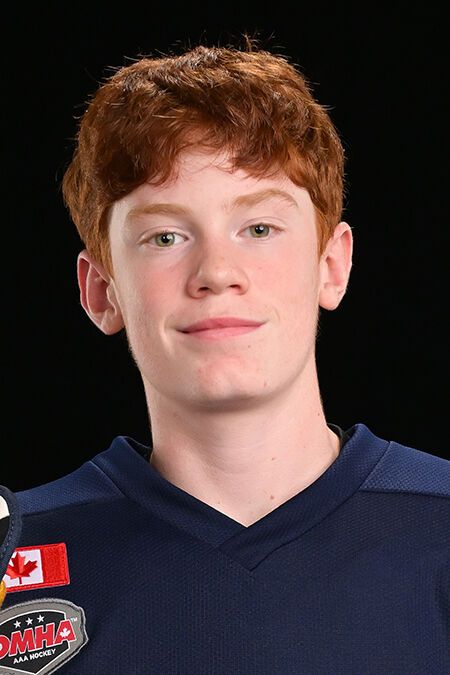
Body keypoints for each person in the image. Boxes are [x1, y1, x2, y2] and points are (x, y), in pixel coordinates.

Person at [1, 40, 449, 674]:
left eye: (259, 229)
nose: (215, 272)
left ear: (331, 265)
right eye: (165, 236)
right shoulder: (14, 557)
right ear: (102, 291)